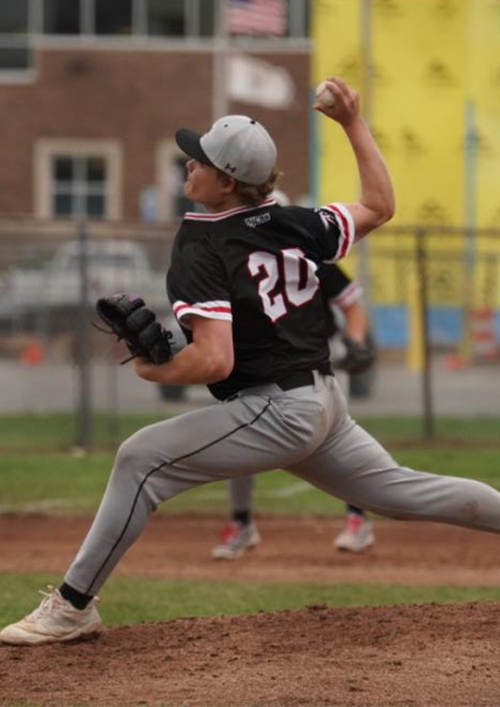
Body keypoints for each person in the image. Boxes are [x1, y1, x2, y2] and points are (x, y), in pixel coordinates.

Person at [4, 76, 500, 647]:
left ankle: (71, 608)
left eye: (202, 159)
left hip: (277, 410)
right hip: (323, 404)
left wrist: (153, 368)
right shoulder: (297, 222)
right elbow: (380, 206)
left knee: (139, 459)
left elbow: (215, 361)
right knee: (403, 492)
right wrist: (352, 123)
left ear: (228, 181)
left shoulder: (202, 243)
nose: (189, 163)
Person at [212, 262, 377, 560]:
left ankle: (358, 518)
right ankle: (241, 522)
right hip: (263, 358)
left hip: (320, 354)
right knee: (240, 435)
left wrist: (355, 341)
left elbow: (353, 306)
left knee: (338, 441)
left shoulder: (310, 256)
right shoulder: (238, 260)